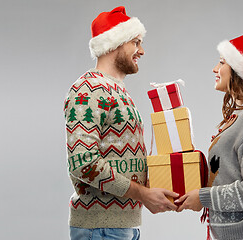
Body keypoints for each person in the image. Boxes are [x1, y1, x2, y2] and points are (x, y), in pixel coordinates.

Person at [64, 6, 178, 240]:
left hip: (121, 228)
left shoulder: (117, 91)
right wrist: (143, 194)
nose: (142, 50)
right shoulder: (88, 90)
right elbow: (83, 162)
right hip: (101, 229)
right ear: (114, 43)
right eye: (136, 42)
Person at [175, 34, 243, 240]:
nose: (215, 69)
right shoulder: (238, 117)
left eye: (222, 62)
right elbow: (227, 175)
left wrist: (204, 197)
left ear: (238, 72)